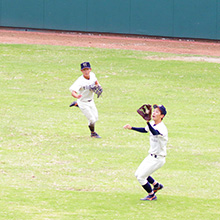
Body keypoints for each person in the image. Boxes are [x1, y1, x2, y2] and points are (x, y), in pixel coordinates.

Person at [123, 104, 168, 201]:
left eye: (157, 112)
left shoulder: (162, 128)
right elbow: (145, 130)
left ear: (162, 116)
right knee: (137, 174)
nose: (154, 113)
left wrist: (147, 122)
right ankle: (156, 185)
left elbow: (155, 133)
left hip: (158, 158)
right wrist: (131, 128)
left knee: (141, 177)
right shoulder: (152, 123)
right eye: (154, 111)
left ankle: (151, 195)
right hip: (151, 156)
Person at [69, 62, 101, 138]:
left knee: (96, 118)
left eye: (87, 69)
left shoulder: (92, 75)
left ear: (90, 69)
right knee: (92, 120)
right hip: (83, 102)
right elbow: (73, 92)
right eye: (84, 70)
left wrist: (99, 86)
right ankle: (93, 133)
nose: (86, 71)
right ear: (81, 71)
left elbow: (96, 81)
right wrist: (77, 96)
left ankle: (77, 104)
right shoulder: (80, 81)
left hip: (91, 101)